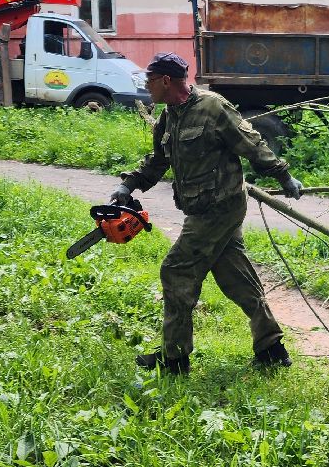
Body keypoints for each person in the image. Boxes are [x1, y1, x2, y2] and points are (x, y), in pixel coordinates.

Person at [113, 52, 303, 375]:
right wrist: (128, 185)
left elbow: (251, 142)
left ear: (166, 81)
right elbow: (158, 161)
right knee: (235, 276)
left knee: (176, 270)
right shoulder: (169, 117)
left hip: (221, 206)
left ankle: (174, 359)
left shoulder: (213, 107)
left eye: (150, 80)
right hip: (201, 208)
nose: (146, 86)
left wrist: (283, 176)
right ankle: (271, 348)